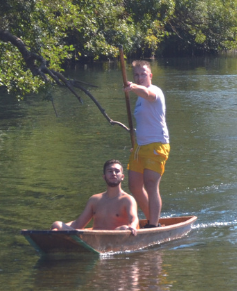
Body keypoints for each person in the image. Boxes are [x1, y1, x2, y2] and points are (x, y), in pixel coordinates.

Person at [125, 60, 169, 229]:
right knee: (134, 186)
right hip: (140, 146)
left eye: (143, 74)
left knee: (151, 184)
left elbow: (148, 94)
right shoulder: (139, 99)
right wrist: (135, 144)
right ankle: (153, 218)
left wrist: (133, 87)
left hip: (157, 145)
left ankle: (153, 225)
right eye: (136, 75)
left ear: (150, 76)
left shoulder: (154, 90)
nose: (139, 77)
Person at [52, 159, 139, 234]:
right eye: (110, 171)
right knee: (57, 224)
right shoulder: (94, 200)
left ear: (122, 176)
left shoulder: (127, 200)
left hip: (116, 237)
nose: (113, 174)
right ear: (104, 177)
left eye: (117, 171)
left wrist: (132, 226)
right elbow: (79, 224)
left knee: (124, 228)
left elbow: (134, 219)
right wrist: (60, 226)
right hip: (95, 238)